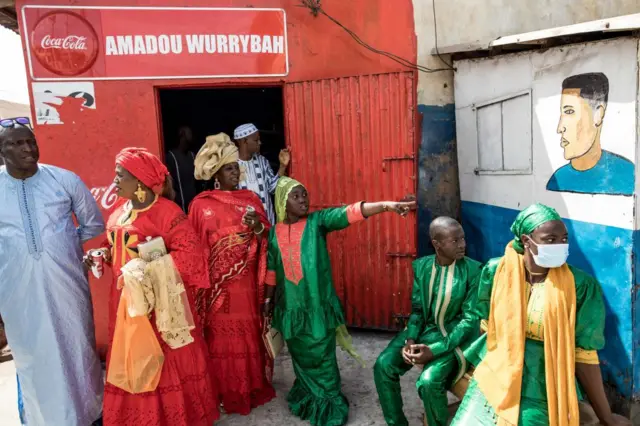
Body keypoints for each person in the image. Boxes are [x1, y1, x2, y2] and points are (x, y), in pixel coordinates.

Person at [450, 204, 631, 426]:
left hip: (544, 377)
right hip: (497, 372)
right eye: (551, 239)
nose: (560, 245)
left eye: (564, 239)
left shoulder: (580, 286)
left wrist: (606, 415)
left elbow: (584, 355)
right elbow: (486, 326)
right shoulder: (496, 271)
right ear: (526, 241)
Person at [264, 177, 416, 426]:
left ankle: (329, 402)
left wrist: (387, 205)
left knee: (323, 357)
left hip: (318, 307)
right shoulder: (273, 233)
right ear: (283, 202)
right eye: (296, 196)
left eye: (305, 194)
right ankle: (309, 396)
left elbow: (352, 212)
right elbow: (271, 270)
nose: (304, 200)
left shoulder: (317, 223)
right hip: (290, 308)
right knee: (300, 358)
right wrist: (267, 301)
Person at [86, 147, 218, 426]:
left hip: (157, 308)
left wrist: (146, 269)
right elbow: (114, 245)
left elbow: (191, 258)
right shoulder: (119, 212)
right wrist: (103, 254)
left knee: (162, 360)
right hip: (123, 303)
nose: (115, 181)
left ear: (141, 183)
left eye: (120, 175)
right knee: (131, 356)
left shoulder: (167, 214)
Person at [0, 119, 104, 425]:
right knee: (33, 358)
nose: (28, 148)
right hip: (17, 293)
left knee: (78, 350)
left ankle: (90, 414)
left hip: (67, 285)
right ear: (0, 151)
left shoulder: (64, 180)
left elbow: (93, 223)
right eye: (16, 144)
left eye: (30, 141)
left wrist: (64, 249)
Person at [189, 133, 276, 415]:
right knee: (220, 340)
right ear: (215, 173)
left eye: (236, 167)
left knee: (247, 335)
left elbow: (268, 240)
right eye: (229, 167)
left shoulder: (250, 199)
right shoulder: (200, 205)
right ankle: (223, 391)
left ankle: (248, 388)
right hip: (217, 290)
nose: (236, 171)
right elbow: (195, 248)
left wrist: (257, 228)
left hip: (246, 285)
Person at [374, 217, 482, 426]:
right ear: (437, 244)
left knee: (429, 381)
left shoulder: (473, 271)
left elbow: (469, 321)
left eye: (463, 239)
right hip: (423, 330)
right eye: (455, 241)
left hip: (454, 336)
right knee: (383, 365)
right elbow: (417, 311)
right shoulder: (422, 267)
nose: (462, 245)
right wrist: (410, 339)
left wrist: (434, 350)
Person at [546, 73, 633, 196]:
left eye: (569, 112)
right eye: (562, 114)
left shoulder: (628, 175)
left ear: (598, 114)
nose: (560, 128)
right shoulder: (557, 181)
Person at [234, 123, 291, 224]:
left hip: (267, 222)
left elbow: (272, 189)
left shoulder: (263, 161)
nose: (259, 143)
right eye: (256, 140)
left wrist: (282, 166)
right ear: (244, 141)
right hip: (244, 226)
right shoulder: (232, 165)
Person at [167, 126, 198, 212]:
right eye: (190, 133)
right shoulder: (171, 156)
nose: (192, 136)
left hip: (194, 203)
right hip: (180, 206)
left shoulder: (192, 156)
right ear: (182, 134)